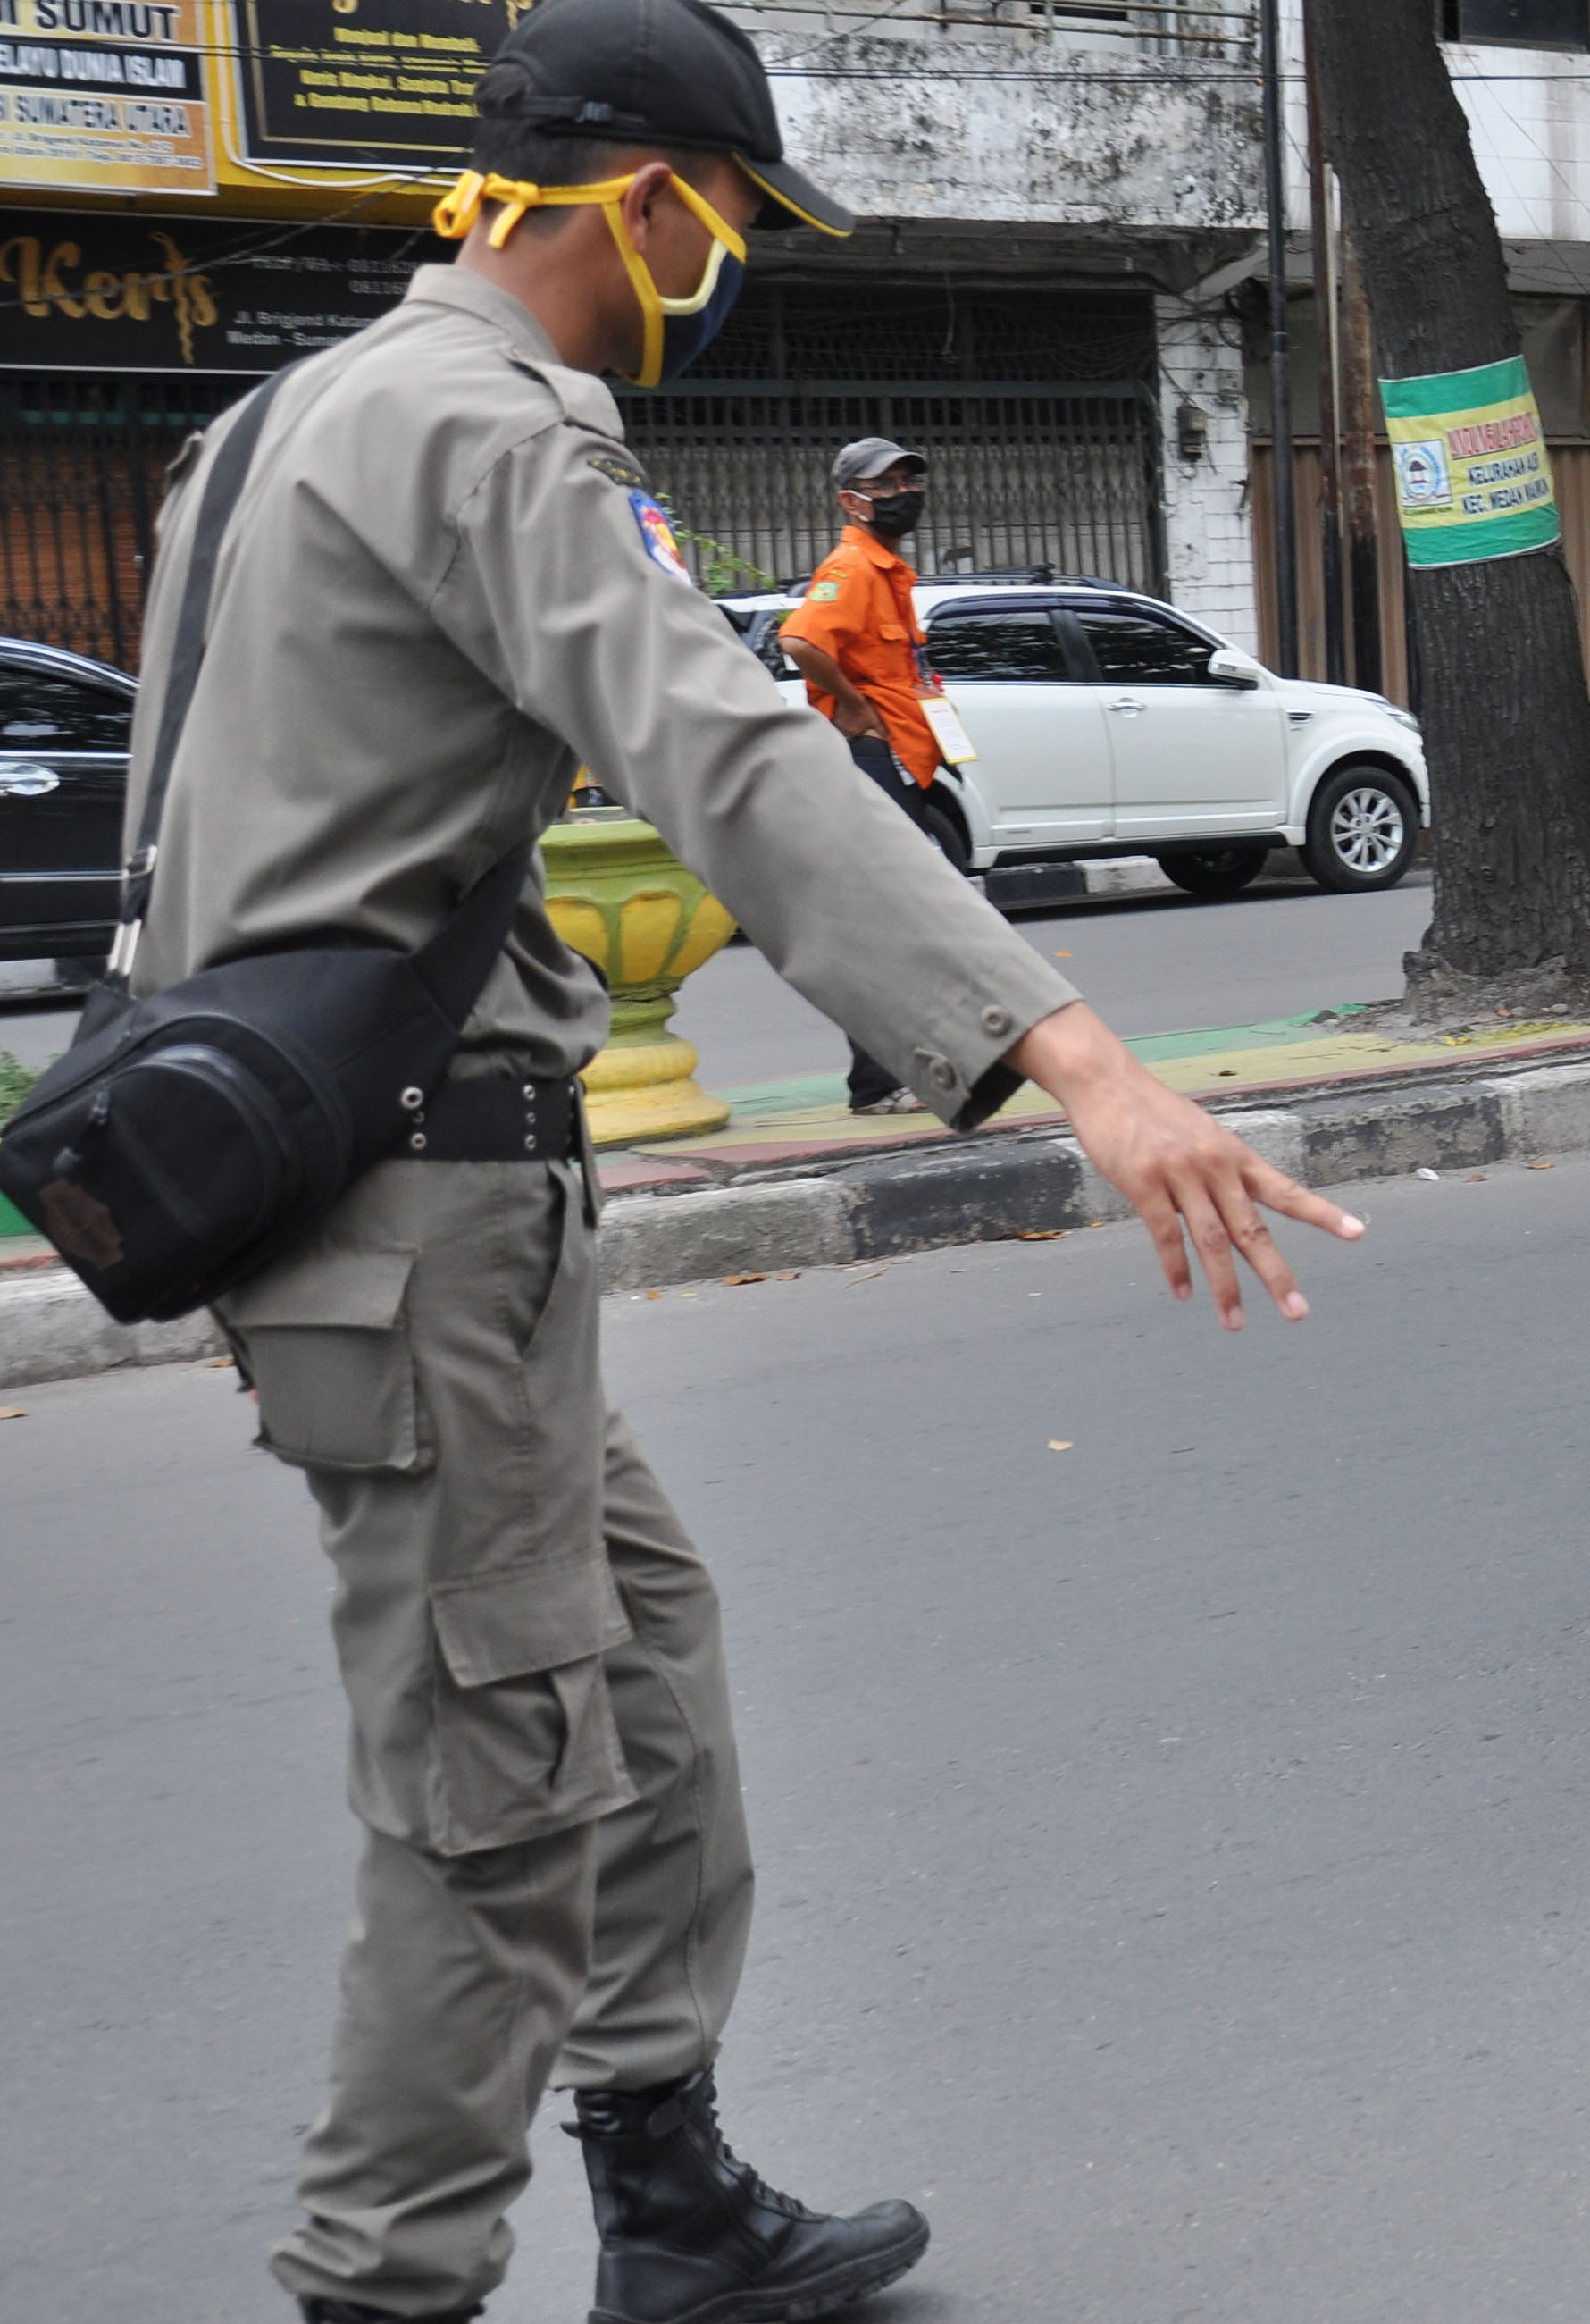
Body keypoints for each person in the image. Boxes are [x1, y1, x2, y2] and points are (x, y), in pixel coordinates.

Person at [140, 6, 1364, 2318]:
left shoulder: (268, 423)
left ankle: (670, 2183)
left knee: (652, 1657)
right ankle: (374, 2289)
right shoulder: (490, 432)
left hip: (370, 1202)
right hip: (419, 1217)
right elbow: (722, 745)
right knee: (495, 1790)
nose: (721, 268)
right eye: (721, 220)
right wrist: (1073, 1054)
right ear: (641, 203)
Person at [775, 434, 940, 1112]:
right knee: (885, 925)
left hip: (902, 757)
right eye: (885, 486)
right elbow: (799, 640)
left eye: (908, 482)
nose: (903, 495)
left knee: (907, 922)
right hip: (873, 761)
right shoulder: (852, 567)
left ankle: (900, 1068)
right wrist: (851, 703)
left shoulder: (888, 571)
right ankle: (877, 1082)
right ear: (851, 500)